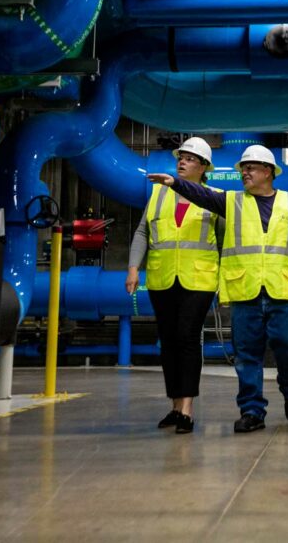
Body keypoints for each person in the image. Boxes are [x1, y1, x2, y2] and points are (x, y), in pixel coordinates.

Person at [148, 144, 288, 433]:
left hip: (283, 289)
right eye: (243, 168)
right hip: (245, 290)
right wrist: (176, 183)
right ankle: (252, 410)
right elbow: (202, 195)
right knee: (247, 355)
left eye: (250, 168)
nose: (244, 172)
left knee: (287, 345)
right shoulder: (231, 201)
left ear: (268, 172)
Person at [127, 137, 222, 435]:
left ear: (204, 167)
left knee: (187, 336)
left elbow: (225, 241)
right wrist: (132, 268)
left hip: (200, 279)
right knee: (168, 341)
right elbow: (143, 231)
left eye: (190, 159)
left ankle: (187, 409)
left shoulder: (215, 196)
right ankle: (174, 405)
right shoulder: (158, 194)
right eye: (181, 157)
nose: (182, 162)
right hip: (162, 277)